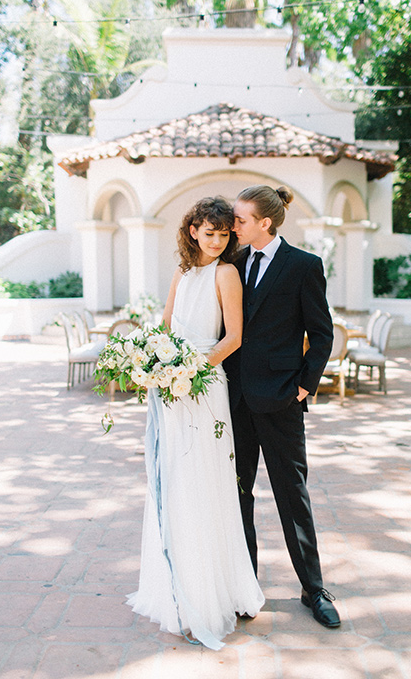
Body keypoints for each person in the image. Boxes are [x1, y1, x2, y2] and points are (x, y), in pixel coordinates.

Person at [126, 197, 264, 650]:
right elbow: (166, 325)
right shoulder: (183, 271)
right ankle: (175, 590)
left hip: (204, 386)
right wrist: (154, 362)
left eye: (224, 235)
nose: (217, 242)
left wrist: (193, 370)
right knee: (176, 481)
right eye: (209, 233)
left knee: (205, 482)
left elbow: (235, 337)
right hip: (172, 389)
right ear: (192, 231)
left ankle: (207, 597)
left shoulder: (226, 273)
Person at [223, 184, 340, 629]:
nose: (234, 226)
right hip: (233, 402)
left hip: (281, 400)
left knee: (293, 497)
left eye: (240, 220)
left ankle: (315, 590)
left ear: (264, 222)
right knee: (237, 496)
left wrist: (304, 387)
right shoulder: (232, 263)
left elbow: (322, 333)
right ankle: (244, 587)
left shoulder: (303, 266)